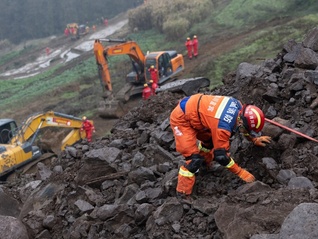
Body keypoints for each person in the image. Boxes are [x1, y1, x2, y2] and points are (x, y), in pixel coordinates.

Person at [170, 94, 272, 196]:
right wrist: (241, 173)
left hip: (197, 113)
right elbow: (221, 157)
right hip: (182, 119)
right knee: (193, 161)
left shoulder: (238, 105)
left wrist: (253, 139)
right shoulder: (223, 127)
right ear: (241, 122)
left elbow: (243, 128)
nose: (247, 132)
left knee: (209, 141)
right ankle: (182, 195)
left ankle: (204, 166)